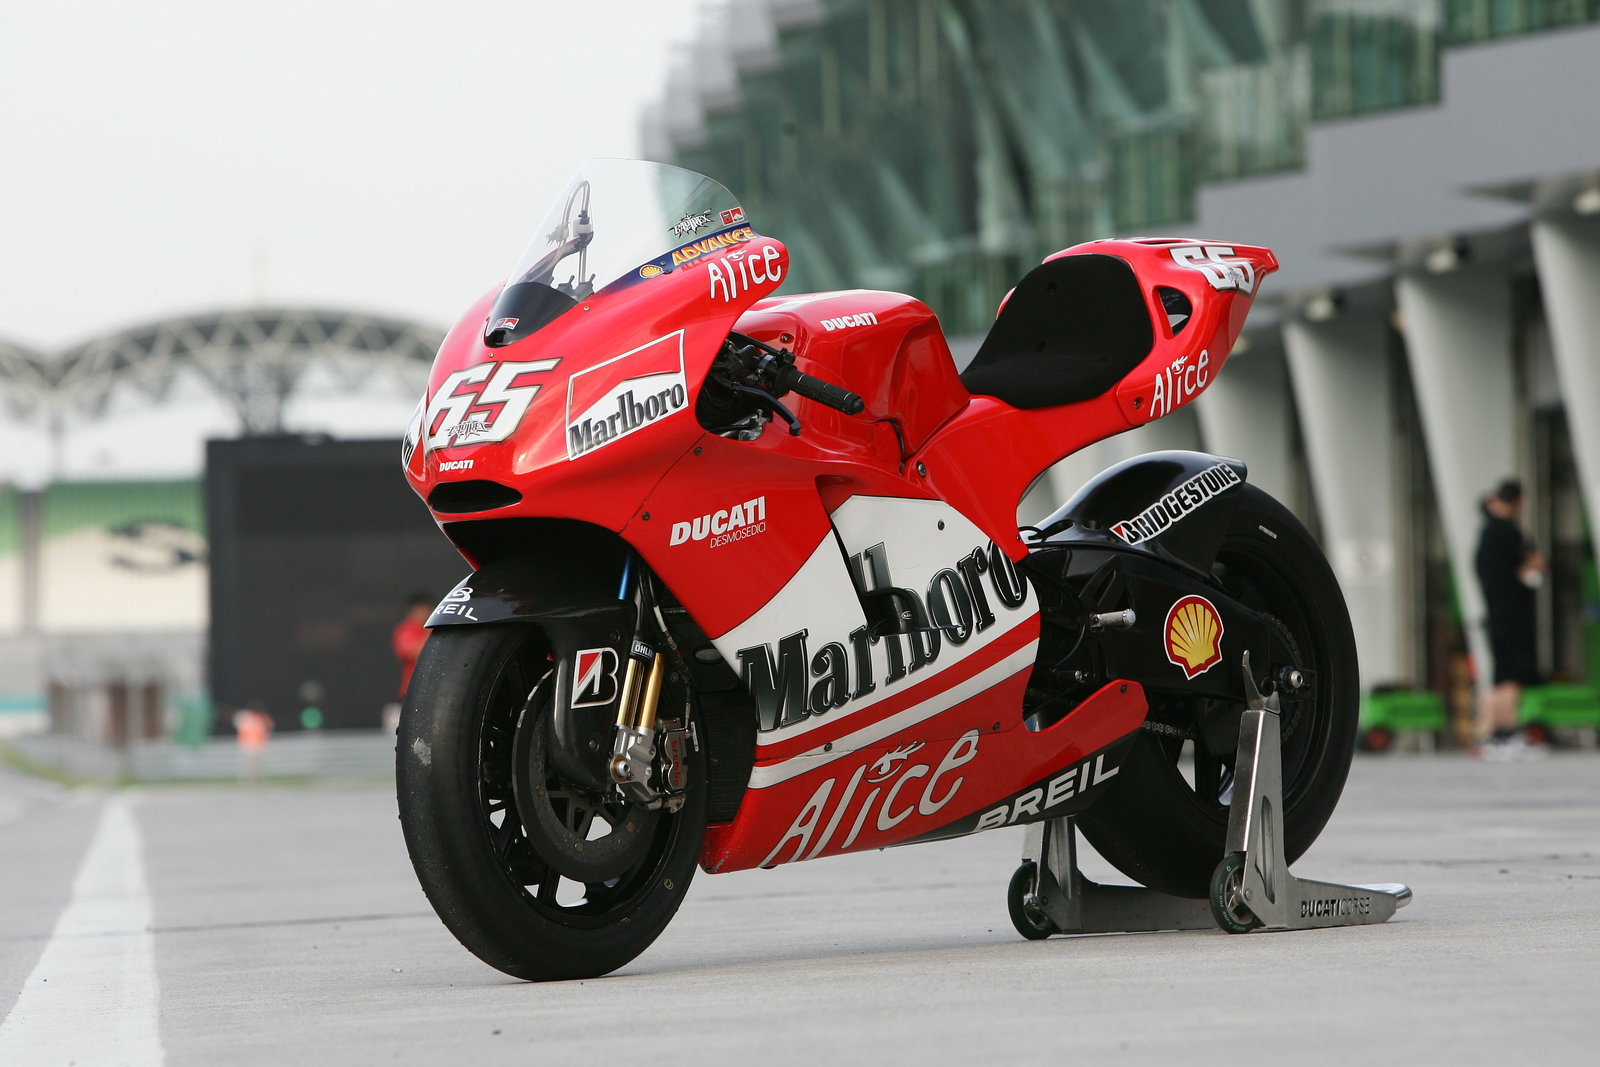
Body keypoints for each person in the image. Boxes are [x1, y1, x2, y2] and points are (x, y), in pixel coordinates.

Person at [1473, 479, 1547, 761]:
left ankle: (1486, 735)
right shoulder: (1508, 533)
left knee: (1498, 677)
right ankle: (1504, 735)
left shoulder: (1486, 533)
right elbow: (1530, 568)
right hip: (1512, 615)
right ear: (1518, 502)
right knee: (1511, 678)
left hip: (1495, 614)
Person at [393, 593, 433, 699]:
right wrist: (431, 631)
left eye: (426, 608)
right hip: (413, 691)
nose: (424, 612)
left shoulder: (434, 629)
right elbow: (413, 653)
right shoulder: (406, 629)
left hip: (434, 688)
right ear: (411, 611)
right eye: (419, 609)